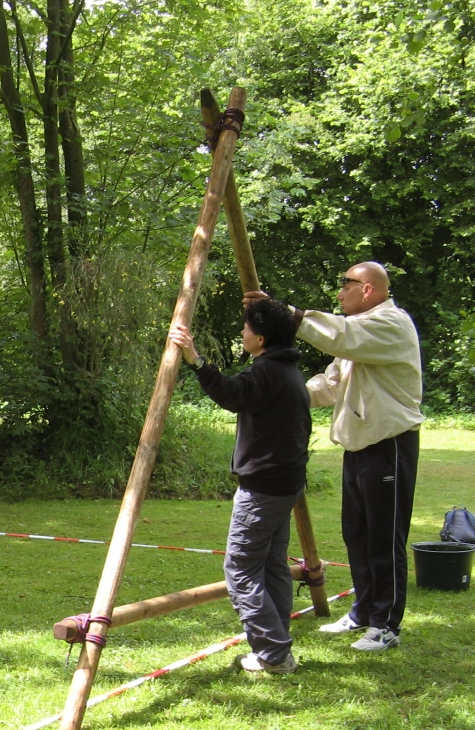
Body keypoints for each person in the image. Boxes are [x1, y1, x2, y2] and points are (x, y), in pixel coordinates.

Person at [251, 262, 423, 653]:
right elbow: (329, 384)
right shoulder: (359, 335)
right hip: (359, 448)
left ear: (368, 289)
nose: (339, 293)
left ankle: (386, 625)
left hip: (389, 445)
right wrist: (282, 390)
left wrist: (284, 313)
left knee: (384, 538)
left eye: (345, 284)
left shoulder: (389, 324)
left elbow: (341, 337)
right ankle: (363, 611)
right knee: (357, 536)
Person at [169, 298, 312, 673]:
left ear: (261, 337)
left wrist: (194, 359)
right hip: (286, 483)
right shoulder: (286, 369)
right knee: (272, 566)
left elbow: (231, 394)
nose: (241, 332)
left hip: (265, 487)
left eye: (246, 328)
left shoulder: (268, 372)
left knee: (242, 569)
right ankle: (276, 647)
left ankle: (274, 654)